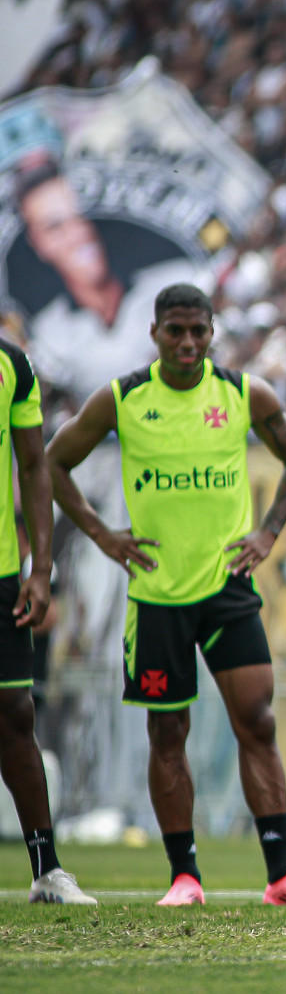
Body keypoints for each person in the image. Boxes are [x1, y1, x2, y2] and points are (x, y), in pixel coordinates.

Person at [45, 283, 286, 907]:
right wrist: (101, 535)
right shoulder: (123, 398)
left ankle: (283, 876)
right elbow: (53, 460)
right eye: (175, 331)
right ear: (155, 333)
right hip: (157, 599)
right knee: (167, 735)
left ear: (212, 331)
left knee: (257, 722)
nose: (187, 342)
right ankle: (185, 877)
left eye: (198, 331)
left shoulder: (242, 393)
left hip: (228, 589)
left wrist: (268, 532)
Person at [0, 335, 93, 904]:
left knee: (14, 714)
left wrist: (41, 567)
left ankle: (47, 871)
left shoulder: (12, 363)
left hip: (2, 576)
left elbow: (35, 464)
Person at [7, 155, 192, 398]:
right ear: (37, 243)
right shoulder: (49, 336)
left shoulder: (178, 280)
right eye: (55, 227)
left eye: (80, 215)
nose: (77, 234)